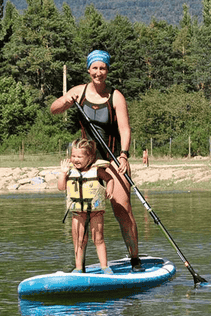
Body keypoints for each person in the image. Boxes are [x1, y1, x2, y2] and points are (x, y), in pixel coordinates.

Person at [50, 49, 143, 271]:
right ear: (89, 69)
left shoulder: (115, 96)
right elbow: (53, 110)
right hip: (85, 164)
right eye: (95, 68)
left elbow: (125, 128)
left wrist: (124, 154)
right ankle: (79, 267)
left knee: (123, 211)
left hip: (111, 162)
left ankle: (135, 259)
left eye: (103, 68)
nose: (98, 72)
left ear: (107, 70)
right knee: (81, 214)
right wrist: (65, 101)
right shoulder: (78, 92)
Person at [58, 138, 115, 274]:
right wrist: (63, 173)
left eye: (79, 156)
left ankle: (105, 267)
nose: (75, 159)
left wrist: (110, 189)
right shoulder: (70, 171)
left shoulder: (97, 170)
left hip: (96, 211)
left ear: (89, 158)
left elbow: (109, 178)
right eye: (73, 156)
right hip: (78, 213)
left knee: (98, 239)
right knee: (78, 241)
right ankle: (78, 268)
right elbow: (61, 187)